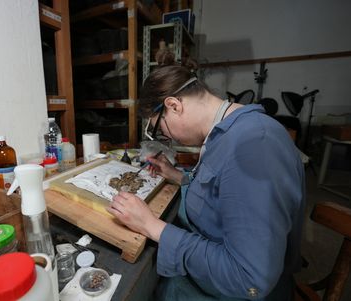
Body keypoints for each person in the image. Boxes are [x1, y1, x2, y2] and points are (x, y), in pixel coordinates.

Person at [106, 65, 305, 300]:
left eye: (160, 128)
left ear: (174, 105)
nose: (167, 138)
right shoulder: (226, 131)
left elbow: (249, 280)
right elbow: (224, 188)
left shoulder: (254, 147)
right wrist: (178, 176)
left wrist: (151, 225)